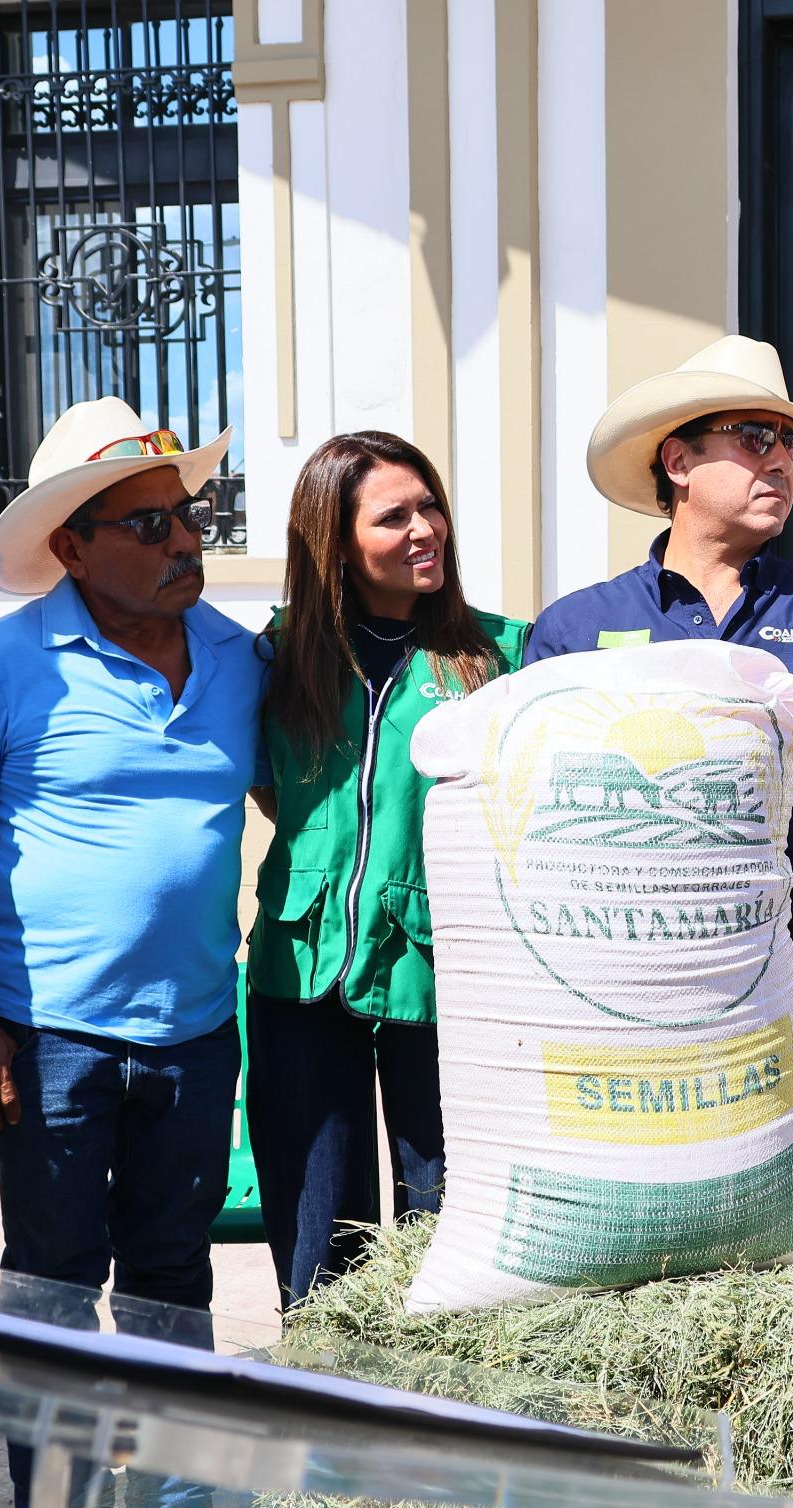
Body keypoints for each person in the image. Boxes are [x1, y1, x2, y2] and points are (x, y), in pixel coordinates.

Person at [0, 398, 268, 1508]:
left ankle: (178, 1502)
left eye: (191, 513)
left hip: (194, 1025)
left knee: (171, 1275)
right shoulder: (1, 663)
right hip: (46, 1032)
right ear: (71, 546)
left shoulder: (237, 655)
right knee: (53, 1282)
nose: (186, 540)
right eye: (149, 522)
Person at [525, 335, 793, 1167]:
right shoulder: (574, 629)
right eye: (755, 438)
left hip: (790, 959)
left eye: (788, 444)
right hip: (623, 964)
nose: (781, 463)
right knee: (630, 1188)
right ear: (679, 461)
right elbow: (543, 784)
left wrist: (739, 825)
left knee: (781, 1197)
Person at [247, 431, 525, 1305]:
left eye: (430, 506)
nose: (424, 529)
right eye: (394, 515)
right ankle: (327, 1416)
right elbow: (267, 787)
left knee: (449, 1222)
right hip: (300, 971)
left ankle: (444, 1419)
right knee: (317, 1236)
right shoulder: (279, 655)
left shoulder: (501, 655)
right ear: (334, 538)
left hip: (447, 977)